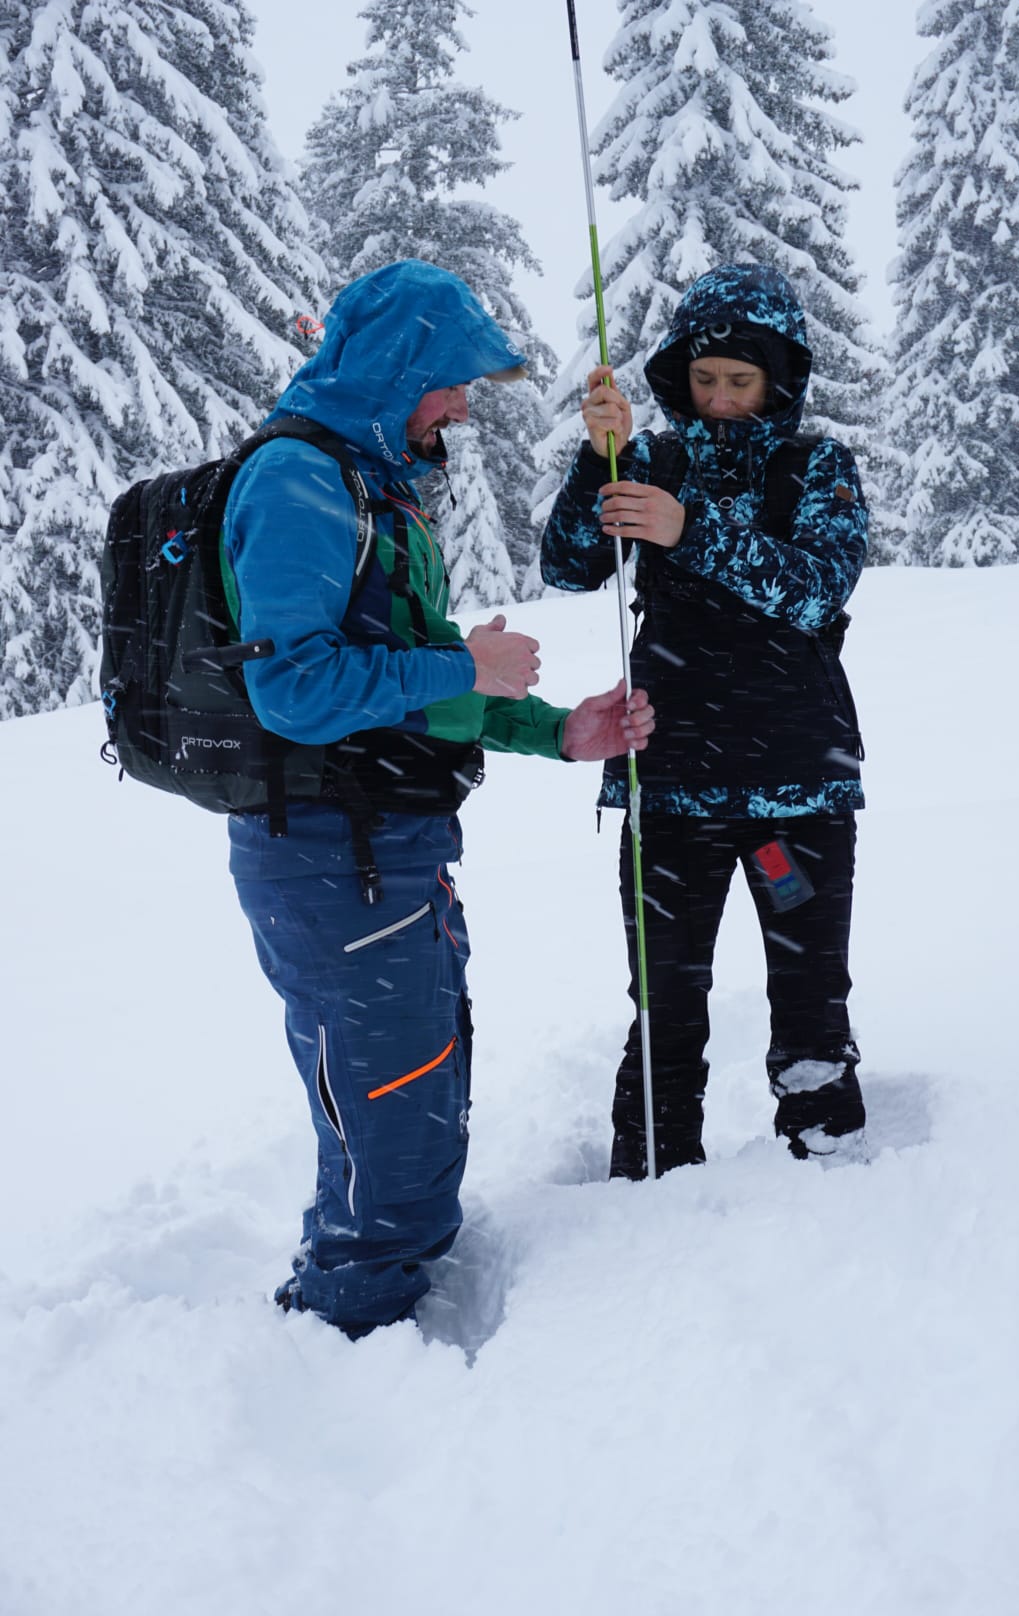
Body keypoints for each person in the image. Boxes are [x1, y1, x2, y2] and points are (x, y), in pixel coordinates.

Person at [222, 260, 654, 1337]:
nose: (464, 403)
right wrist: (465, 668)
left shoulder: (374, 488)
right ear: (394, 368)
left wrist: (559, 729)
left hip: (387, 853)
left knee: (400, 1103)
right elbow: (294, 690)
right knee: (394, 1131)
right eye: (453, 379)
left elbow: (415, 683)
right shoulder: (296, 483)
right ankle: (350, 1346)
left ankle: (364, 1306)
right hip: (329, 856)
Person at [540, 263, 868, 1178]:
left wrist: (692, 533)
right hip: (670, 783)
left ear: (779, 380)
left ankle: (830, 1170)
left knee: (808, 991)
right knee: (668, 998)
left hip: (795, 793)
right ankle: (648, 1176)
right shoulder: (652, 461)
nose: (720, 399)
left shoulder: (819, 468)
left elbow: (814, 593)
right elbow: (569, 565)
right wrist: (594, 460)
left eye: (741, 380)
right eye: (704, 378)